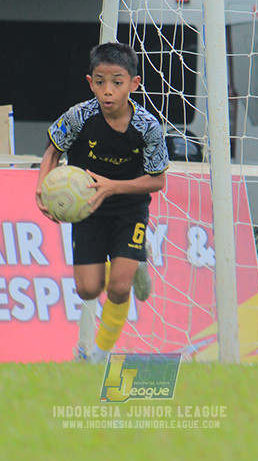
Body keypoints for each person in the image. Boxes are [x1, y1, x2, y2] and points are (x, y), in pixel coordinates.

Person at [36, 41, 169, 363]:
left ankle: (100, 353)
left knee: (120, 288)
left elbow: (158, 180)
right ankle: (128, 259)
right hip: (88, 211)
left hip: (129, 209)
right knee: (88, 290)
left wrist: (112, 187)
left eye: (117, 82)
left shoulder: (148, 127)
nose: (107, 91)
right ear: (90, 82)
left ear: (133, 84)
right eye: (100, 82)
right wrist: (42, 187)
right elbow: (53, 150)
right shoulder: (79, 116)